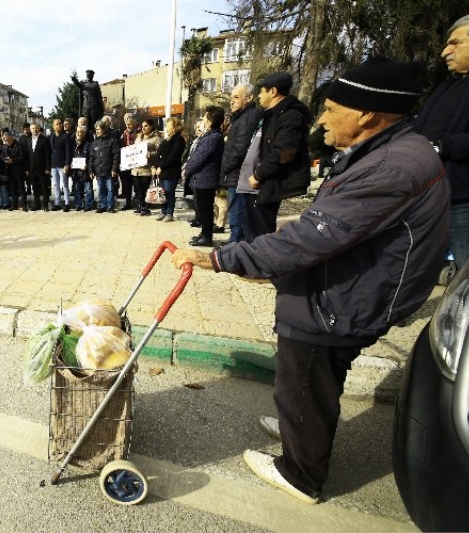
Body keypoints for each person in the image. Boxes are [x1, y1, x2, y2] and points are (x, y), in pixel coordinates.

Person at [172, 57, 450, 504]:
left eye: (330, 108)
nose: (321, 119)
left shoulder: (393, 165)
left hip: (338, 299)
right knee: (316, 377)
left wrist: (220, 259)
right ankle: (300, 428)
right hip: (346, 284)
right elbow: (343, 222)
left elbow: (311, 242)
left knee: (303, 376)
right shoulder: (394, 151)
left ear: (366, 114)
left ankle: (300, 472)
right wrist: (305, 225)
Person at [413, 10, 469, 270]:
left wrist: (442, 147)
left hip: (468, 198)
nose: (444, 52)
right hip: (436, 194)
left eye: (455, 43)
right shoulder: (449, 84)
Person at [245, 72, 311, 239]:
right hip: (263, 180)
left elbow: (284, 152)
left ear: (273, 91)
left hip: (271, 180)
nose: (259, 95)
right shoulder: (271, 115)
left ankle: (260, 262)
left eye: (262, 90)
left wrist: (259, 174)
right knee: (253, 224)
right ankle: (252, 259)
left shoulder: (290, 115)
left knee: (261, 229)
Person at [222, 83, 263, 243]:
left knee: (238, 212)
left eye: (237, 97)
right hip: (236, 174)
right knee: (236, 211)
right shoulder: (240, 117)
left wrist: (225, 167)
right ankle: (235, 242)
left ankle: (236, 246)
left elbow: (240, 148)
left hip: (240, 174)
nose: (232, 101)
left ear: (249, 98)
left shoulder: (249, 117)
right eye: (231, 97)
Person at [183, 107, 225, 247]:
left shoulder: (213, 137)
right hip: (201, 179)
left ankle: (207, 237)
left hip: (205, 179)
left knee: (205, 209)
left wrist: (187, 170)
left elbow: (199, 157)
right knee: (202, 208)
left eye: (205, 117)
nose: (203, 121)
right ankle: (204, 234)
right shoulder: (211, 135)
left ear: (210, 120)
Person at [153, 117, 187, 222]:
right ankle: (163, 211)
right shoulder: (167, 139)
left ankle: (169, 212)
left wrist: (161, 167)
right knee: (162, 193)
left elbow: (173, 156)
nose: (166, 127)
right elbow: (159, 154)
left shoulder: (178, 139)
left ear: (175, 126)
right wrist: (155, 166)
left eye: (168, 125)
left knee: (169, 193)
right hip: (161, 171)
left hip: (170, 172)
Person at [131, 118, 162, 217]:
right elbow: (133, 150)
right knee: (138, 189)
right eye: (142, 126)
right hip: (136, 169)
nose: (143, 128)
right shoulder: (139, 137)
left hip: (147, 169)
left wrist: (151, 154)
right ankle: (140, 206)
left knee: (145, 189)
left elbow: (160, 153)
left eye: (146, 126)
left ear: (151, 126)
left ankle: (146, 207)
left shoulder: (157, 138)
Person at [88, 120, 120, 213]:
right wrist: (91, 171)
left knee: (110, 190)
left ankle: (110, 206)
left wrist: (114, 169)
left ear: (104, 129)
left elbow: (116, 155)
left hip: (109, 170)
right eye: (96, 129)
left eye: (98, 129)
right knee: (101, 189)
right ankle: (102, 205)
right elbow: (91, 158)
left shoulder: (112, 140)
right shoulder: (94, 143)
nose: (96, 131)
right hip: (98, 171)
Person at [49, 118, 72, 212]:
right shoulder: (51, 137)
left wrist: (67, 164)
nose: (59, 125)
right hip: (53, 165)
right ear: (53, 126)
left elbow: (68, 151)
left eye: (60, 124)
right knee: (55, 185)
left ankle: (67, 203)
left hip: (62, 165)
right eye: (57, 124)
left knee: (65, 185)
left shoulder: (65, 136)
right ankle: (57, 203)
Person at [1, 132, 27, 211]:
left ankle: (24, 205)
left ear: (12, 138)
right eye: (5, 140)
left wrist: (13, 160)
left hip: (18, 170)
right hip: (9, 170)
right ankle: (14, 205)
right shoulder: (4, 146)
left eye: (8, 140)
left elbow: (22, 157)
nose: (7, 142)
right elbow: (2, 156)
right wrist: (5, 160)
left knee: (21, 188)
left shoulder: (19, 145)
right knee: (13, 188)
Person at [28, 123, 51, 211]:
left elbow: (48, 155)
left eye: (36, 128)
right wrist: (27, 168)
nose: (35, 130)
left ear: (39, 129)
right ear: (30, 130)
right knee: (35, 187)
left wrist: (48, 168)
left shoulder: (44, 140)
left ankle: (45, 205)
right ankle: (36, 204)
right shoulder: (28, 140)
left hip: (42, 168)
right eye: (33, 128)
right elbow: (27, 155)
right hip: (32, 168)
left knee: (44, 187)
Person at [119, 114, 140, 210]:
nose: (128, 126)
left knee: (137, 184)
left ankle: (139, 203)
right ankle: (128, 203)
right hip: (126, 163)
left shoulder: (140, 132)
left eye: (130, 124)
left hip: (137, 162)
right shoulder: (124, 134)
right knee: (126, 184)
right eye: (127, 124)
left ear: (135, 123)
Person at [71, 127, 93, 211]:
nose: (78, 134)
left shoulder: (88, 144)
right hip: (76, 171)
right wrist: (71, 164)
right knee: (77, 189)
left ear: (84, 134)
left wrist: (87, 165)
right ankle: (78, 205)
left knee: (88, 189)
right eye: (77, 132)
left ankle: (89, 205)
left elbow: (91, 157)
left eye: (80, 132)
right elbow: (70, 156)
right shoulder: (73, 145)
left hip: (85, 170)